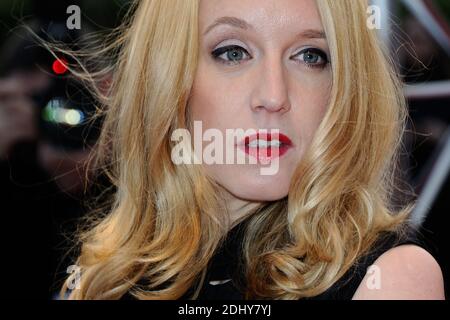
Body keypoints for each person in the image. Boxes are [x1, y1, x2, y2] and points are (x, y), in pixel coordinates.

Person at [60, 0, 445, 300]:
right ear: (168, 76)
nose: (274, 96)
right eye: (233, 52)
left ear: (342, 89)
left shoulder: (391, 278)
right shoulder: (100, 277)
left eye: (311, 56)